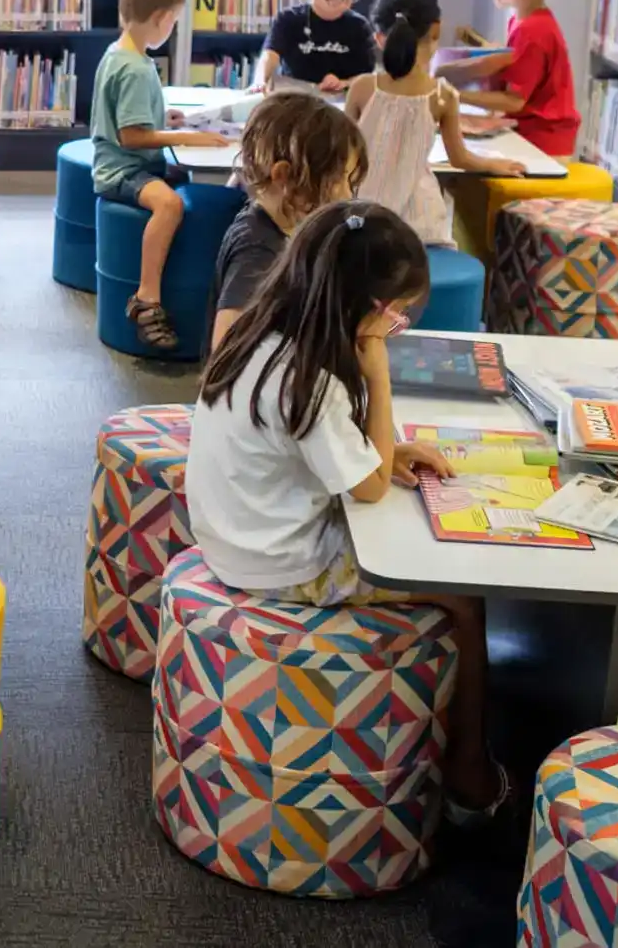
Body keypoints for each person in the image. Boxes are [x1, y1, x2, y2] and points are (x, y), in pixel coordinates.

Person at [188, 201, 507, 825]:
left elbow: (331, 450)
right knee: (465, 601)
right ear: (367, 313)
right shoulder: (313, 381)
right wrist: (380, 378)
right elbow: (368, 488)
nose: (399, 329)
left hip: (232, 531)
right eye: (399, 318)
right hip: (281, 563)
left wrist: (385, 448)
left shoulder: (263, 333)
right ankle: (468, 771)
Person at [90, 0, 230, 350]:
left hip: (124, 161)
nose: (173, 29)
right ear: (162, 18)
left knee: (189, 184)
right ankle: (147, 297)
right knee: (169, 205)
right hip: (122, 169)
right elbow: (132, 136)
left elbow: (129, 115)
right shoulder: (135, 68)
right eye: (174, 22)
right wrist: (186, 136)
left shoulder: (120, 52)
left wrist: (163, 118)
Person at [347, 0, 526, 249]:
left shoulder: (362, 87)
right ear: (436, 31)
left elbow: (345, 155)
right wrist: (495, 165)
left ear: (379, 39)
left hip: (361, 214)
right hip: (417, 224)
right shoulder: (443, 96)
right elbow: (460, 158)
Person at [208, 92, 368, 353]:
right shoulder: (258, 249)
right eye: (339, 179)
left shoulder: (286, 224)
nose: (347, 195)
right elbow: (225, 352)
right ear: (283, 175)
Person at [444, 0, 579, 159]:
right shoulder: (523, 20)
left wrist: (452, 93)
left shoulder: (533, 31)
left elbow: (514, 101)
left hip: (541, 143)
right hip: (532, 133)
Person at [252, 0, 377, 94]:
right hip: (296, 101)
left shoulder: (359, 26)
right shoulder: (288, 20)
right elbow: (269, 57)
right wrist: (259, 81)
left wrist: (344, 82)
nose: (344, 4)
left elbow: (369, 76)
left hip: (343, 105)